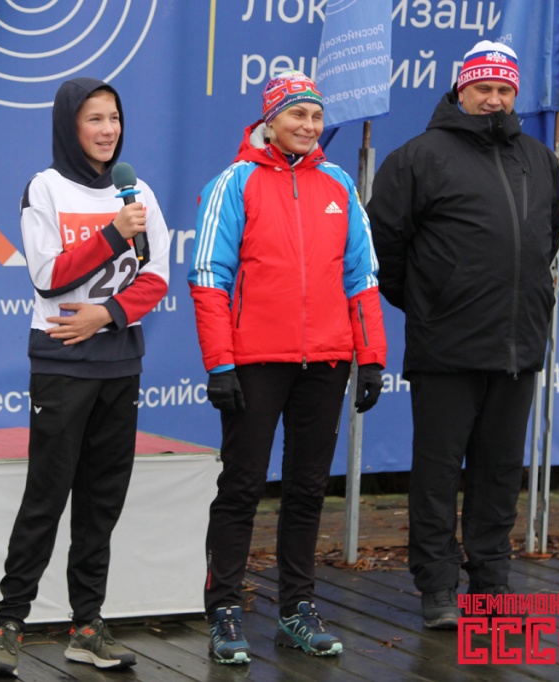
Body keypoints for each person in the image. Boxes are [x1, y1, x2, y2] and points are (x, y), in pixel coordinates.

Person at [189, 70, 387, 664]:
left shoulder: (338, 184)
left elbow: (362, 275)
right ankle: (224, 611)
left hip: (325, 361)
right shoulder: (235, 181)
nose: (308, 125)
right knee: (242, 486)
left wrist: (371, 357)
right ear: (270, 119)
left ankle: (297, 608)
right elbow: (210, 276)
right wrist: (220, 363)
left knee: (306, 489)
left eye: (316, 116)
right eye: (297, 114)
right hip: (255, 361)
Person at [366, 41, 559, 629]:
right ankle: (437, 588)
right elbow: (383, 247)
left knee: (498, 473)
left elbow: (550, 235)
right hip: (446, 346)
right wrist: (431, 301)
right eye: (484, 88)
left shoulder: (538, 158)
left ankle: (490, 586)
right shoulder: (418, 156)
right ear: (462, 89)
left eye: (504, 89)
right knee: (437, 475)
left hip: (518, 344)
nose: (494, 99)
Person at [0, 77, 170, 675]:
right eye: (94, 119)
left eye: (114, 117)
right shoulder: (46, 187)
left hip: (121, 361)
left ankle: (87, 625)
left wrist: (106, 315)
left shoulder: (138, 192)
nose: (108, 130)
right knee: (46, 496)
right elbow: (47, 276)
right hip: (62, 365)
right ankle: (8, 624)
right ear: (70, 126)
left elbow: (158, 275)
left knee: (101, 501)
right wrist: (114, 234)